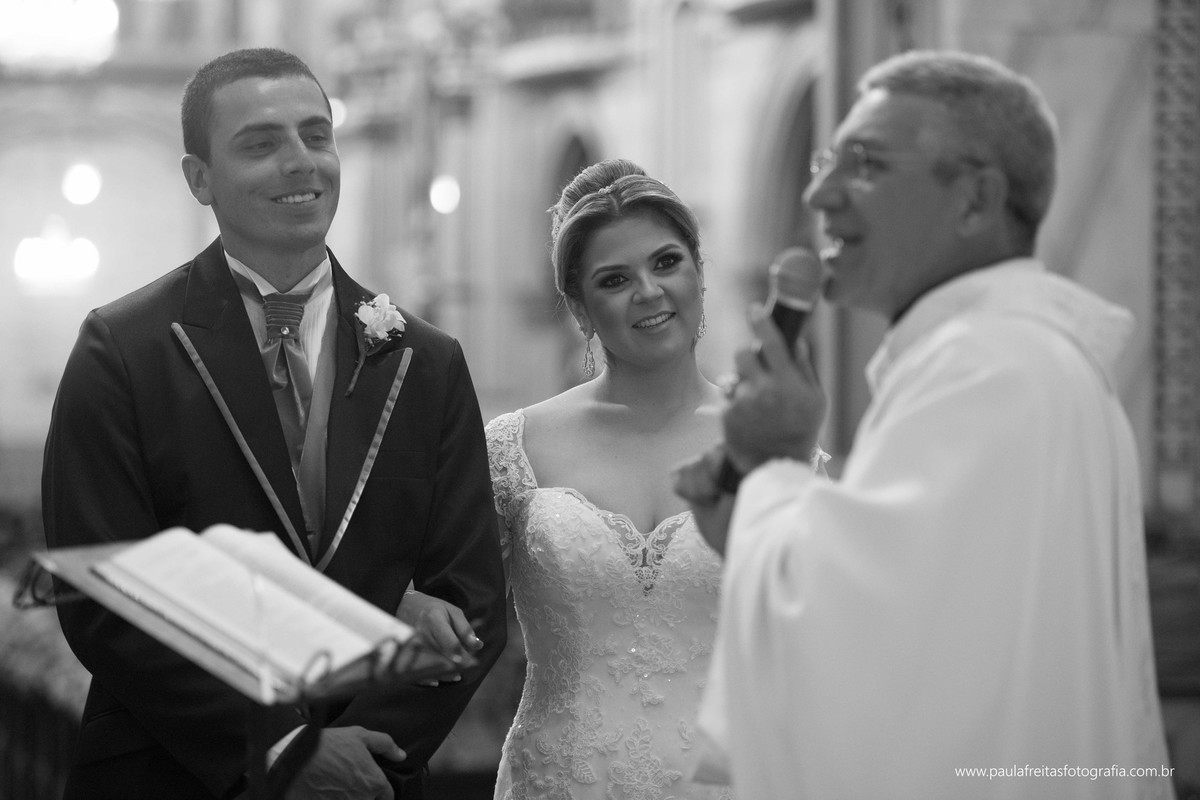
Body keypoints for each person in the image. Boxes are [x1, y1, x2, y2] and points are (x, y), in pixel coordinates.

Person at [674, 50, 1176, 799]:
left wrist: (776, 463)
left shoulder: (984, 368)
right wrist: (754, 509)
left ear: (975, 199)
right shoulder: (1023, 359)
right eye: (823, 161)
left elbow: (868, 662)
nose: (818, 193)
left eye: (865, 164)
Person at [41, 47, 507, 800]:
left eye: (316, 136)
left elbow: (474, 596)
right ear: (200, 178)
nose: (301, 162)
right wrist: (283, 749)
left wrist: (368, 753)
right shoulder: (122, 349)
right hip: (174, 772)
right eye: (261, 144)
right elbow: (103, 591)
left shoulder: (424, 360)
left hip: (370, 781)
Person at [488, 158, 732, 799]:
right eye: (615, 279)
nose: (648, 292)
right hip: (559, 781)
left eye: (667, 263)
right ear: (579, 306)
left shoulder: (769, 445)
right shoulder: (515, 446)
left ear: (700, 273)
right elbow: (446, 607)